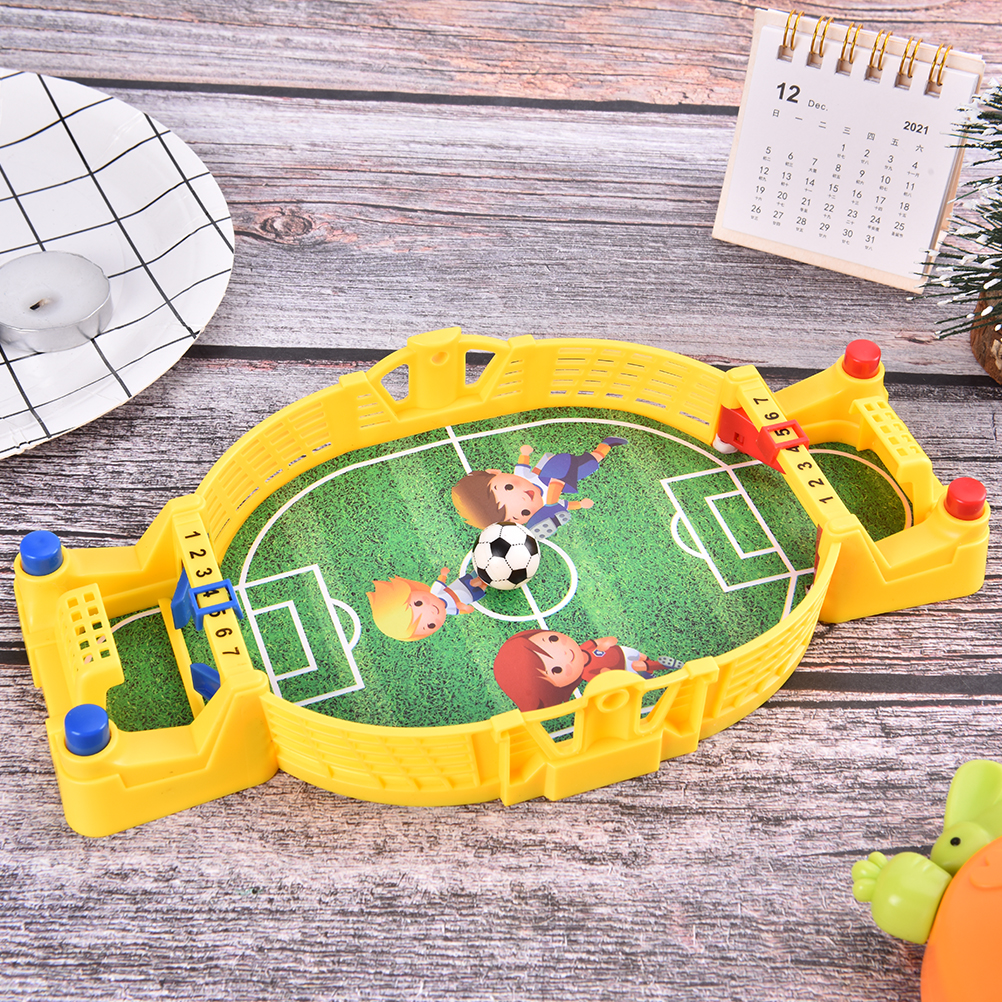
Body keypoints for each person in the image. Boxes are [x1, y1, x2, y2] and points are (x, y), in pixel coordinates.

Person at [451, 437, 627, 535]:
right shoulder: (541, 503)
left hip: (555, 465)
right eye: (524, 512)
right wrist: (580, 504)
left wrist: (525, 453)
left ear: (495, 472)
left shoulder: (522, 475)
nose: (524, 498)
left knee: (556, 474)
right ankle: (606, 445)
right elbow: (566, 505)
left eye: (509, 488)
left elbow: (523, 464)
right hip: (565, 480)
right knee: (592, 462)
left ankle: (606, 444)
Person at [492, 629, 682, 712]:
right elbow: (605, 676)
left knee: (641, 657)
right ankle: (661, 666)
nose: (565, 654)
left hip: (622, 652)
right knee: (639, 667)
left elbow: (608, 640)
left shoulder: (585, 647)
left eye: (552, 640)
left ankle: (653, 668)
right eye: (557, 669)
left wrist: (605, 644)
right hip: (623, 669)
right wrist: (608, 673)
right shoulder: (586, 673)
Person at [366, 567, 487, 641]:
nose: (432, 611)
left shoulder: (435, 592)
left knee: (474, 579)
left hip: (461, 585)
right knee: (482, 587)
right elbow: (461, 610)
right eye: (430, 625)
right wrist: (465, 608)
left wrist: (444, 574)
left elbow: (440, 582)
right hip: (469, 596)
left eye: (418, 603)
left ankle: (485, 574)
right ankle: (487, 580)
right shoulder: (448, 610)